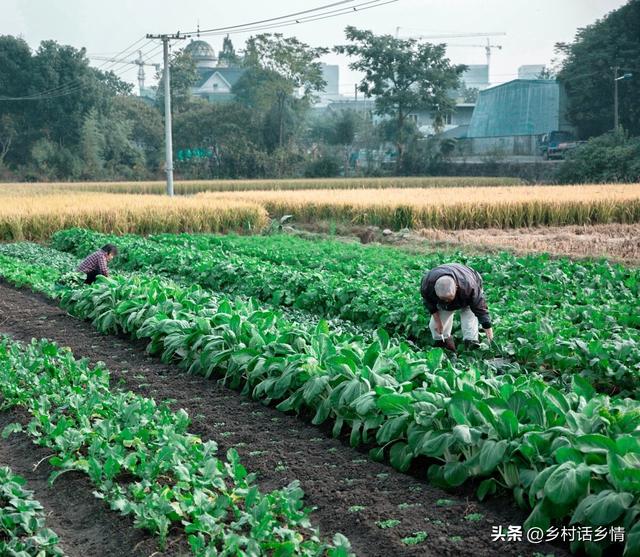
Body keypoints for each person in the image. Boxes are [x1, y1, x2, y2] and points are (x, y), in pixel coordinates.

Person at [420, 263, 494, 352]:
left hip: (469, 281)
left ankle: (471, 347)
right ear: (435, 290)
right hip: (446, 287)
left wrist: (490, 336)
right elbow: (430, 304)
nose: (448, 302)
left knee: (469, 320)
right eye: (445, 300)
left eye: (450, 299)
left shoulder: (470, 287)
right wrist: (438, 322)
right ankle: (446, 350)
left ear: (456, 287)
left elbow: (481, 310)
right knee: (435, 326)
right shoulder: (427, 285)